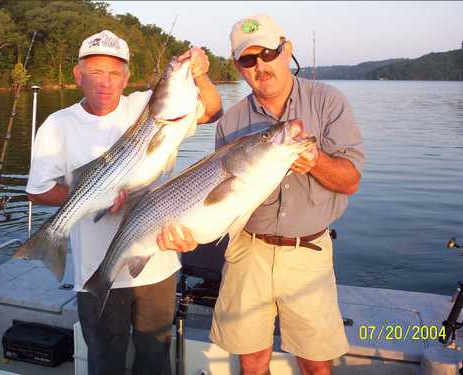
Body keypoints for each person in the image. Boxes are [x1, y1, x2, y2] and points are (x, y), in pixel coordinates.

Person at [159, 14, 365, 375]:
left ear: (286, 51)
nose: (260, 66)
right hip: (247, 250)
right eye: (247, 59)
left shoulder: (328, 102)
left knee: (316, 363)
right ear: (238, 66)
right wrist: (187, 232)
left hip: (308, 252)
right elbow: (218, 200)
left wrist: (316, 160)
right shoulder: (232, 121)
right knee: (252, 361)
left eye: (268, 53)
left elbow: (350, 181)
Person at [25, 30, 222, 375]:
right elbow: (37, 191)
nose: (106, 82)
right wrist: (90, 198)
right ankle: (49, 242)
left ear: (127, 77)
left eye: (115, 73)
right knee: (105, 360)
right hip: (96, 270)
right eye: (96, 72)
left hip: (157, 263)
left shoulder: (145, 107)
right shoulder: (58, 125)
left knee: (154, 359)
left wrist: (199, 74)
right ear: (77, 75)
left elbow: (213, 110)